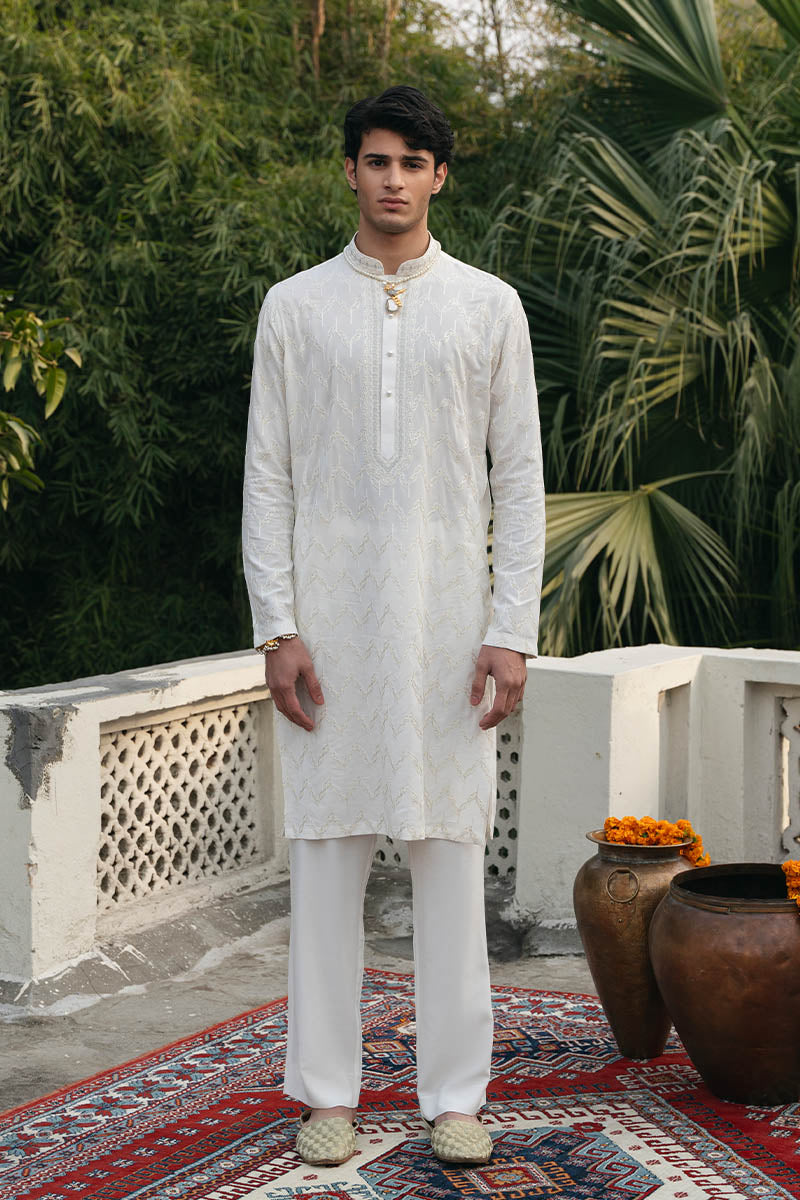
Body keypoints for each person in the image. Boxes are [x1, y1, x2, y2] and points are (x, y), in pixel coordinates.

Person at [242, 85, 544, 1168]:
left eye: (413, 162)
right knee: (325, 865)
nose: (394, 180)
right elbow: (266, 477)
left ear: (439, 176)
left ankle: (455, 1096)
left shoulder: (488, 307)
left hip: (448, 629)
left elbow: (519, 481)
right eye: (377, 160)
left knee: (450, 861)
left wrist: (511, 628)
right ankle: (327, 1093)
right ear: (350, 171)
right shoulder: (294, 307)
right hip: (328, 629)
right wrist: (278, 626)